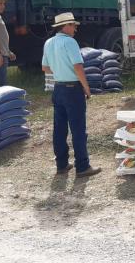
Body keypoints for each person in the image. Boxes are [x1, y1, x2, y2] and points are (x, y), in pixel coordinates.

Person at [42, 13, 101, 177]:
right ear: (66, 26)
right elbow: (78, 67)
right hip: (72, 89)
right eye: (73, 25)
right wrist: (86, 88)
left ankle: (61, 164)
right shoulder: (70, 42)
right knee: (78, 129)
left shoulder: (49, 42)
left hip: (58, 88)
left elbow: (45, 68)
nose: (75, 28)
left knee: (59, 128)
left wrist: (60, 72)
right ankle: (82, 166)